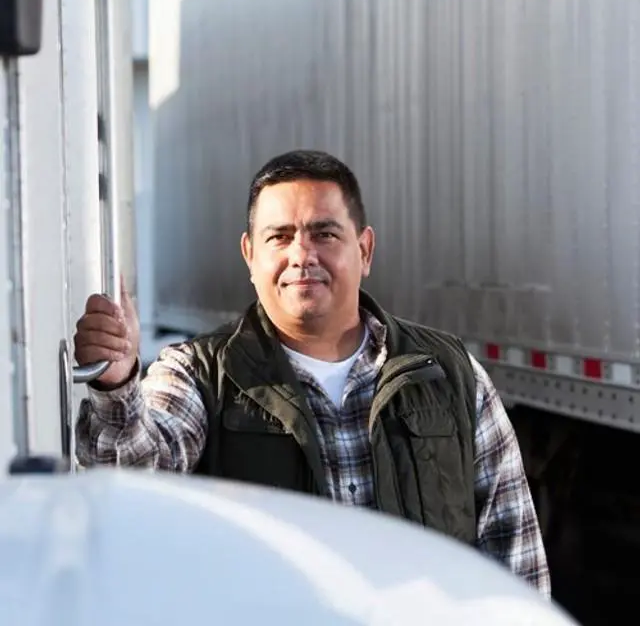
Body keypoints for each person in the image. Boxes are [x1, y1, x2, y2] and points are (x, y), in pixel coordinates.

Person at [74, 149, 551, 597]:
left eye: (324, 234)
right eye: (279, 237)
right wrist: (117, 382)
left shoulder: (450, 374)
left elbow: (515, 560)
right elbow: (134, 480)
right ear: (250, 255)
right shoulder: (198, 374)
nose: (302, 255)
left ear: (365, 250)